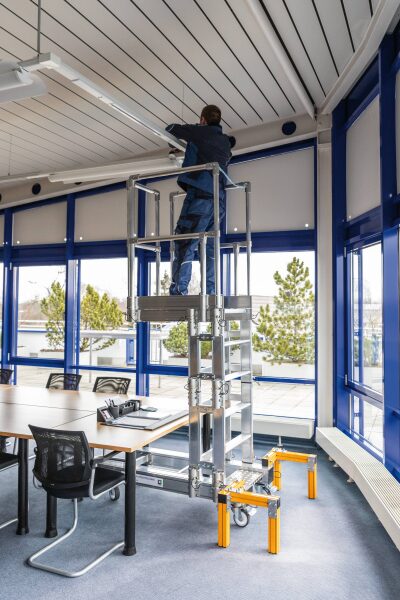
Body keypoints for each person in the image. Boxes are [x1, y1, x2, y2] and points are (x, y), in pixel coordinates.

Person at [165, 105, 236, 295]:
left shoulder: (199, 132)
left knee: (185, 241)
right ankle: (211, 292)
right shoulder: (224, 141)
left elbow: (171, 129)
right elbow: (231, 143)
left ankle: (179, 291)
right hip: (218, 199)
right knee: (211, 247)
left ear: (203, 119)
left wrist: (194, 130)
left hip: (200, 196)